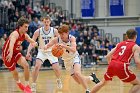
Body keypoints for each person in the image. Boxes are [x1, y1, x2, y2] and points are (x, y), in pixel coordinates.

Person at [44, 24, 100, 93]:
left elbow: (73, 49)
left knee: (77, 73)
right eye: (60, 34)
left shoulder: (72, 38)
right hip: (66, 62)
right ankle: (92, 77)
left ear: (67, 33)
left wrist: (63, 46)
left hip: (74, 58)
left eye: (62, 34)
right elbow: (49, 44)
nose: (61, 36)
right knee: (79, 81)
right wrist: (45, 47)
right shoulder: (57, 39)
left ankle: (87, 90)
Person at [91, 29, 140, 93]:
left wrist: (111, 65)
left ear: (127, 36)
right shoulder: (136, 46)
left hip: (112, 64)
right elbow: (137, 61)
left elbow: (108, 55)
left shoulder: (119, 44)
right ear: (135, 36)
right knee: (138, 84)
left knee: (102, 83)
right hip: (122, 66)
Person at [26, 16, 62, 92]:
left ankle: (58, 80)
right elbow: (32, 42)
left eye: (47, 22)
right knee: (36, 67)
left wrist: (60, 48)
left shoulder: (54, 31)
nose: (46, 23)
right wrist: (28, 52)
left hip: (52, 51)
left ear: (50, 22)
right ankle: (33, 84)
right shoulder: (38, 31)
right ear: (43, 22)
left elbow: (60, 40)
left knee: (56, 68)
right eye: (45, 22)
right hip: (42, 51)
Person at [2, 17, 37, 93]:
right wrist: (10, 53)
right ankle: (19, 84)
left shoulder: (25, 35)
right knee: (15, 72)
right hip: (7, 54)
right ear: (20, 26)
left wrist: (37, 44)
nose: (27, 29)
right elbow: (11, 44)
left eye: (27, 27)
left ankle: (27, 86)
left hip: (16, 52)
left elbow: (33, 42)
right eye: (25, 27)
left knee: (26, 65)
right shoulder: (15, 34)